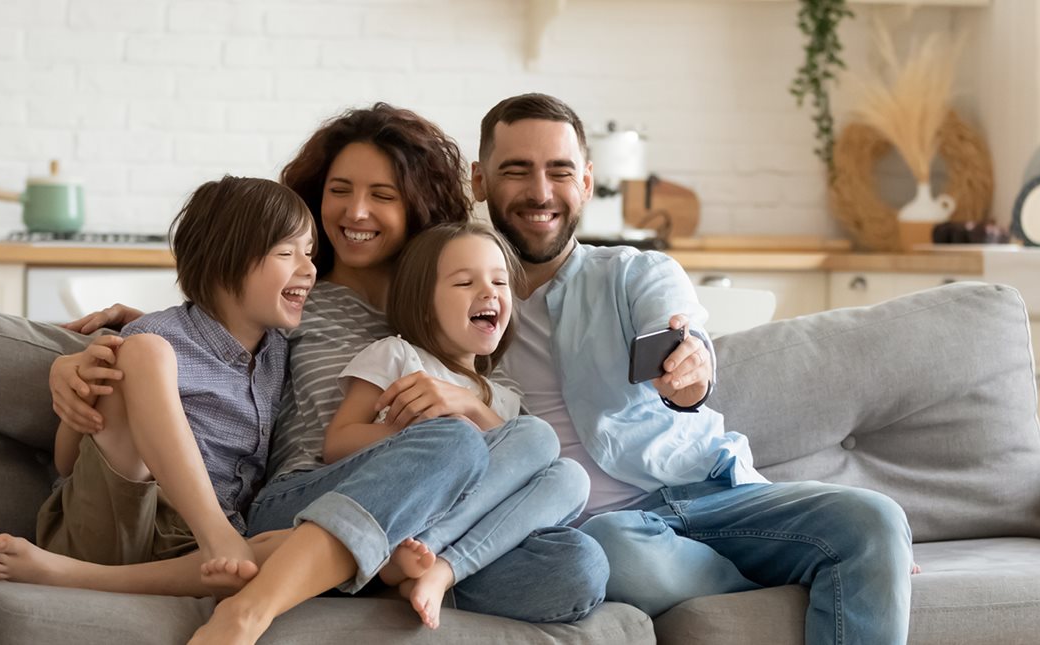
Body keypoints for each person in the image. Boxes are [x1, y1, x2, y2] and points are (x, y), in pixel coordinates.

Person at [46, 104, 607, 644]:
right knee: (450, 445)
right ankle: (288, 590)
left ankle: (388, 571)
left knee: (576, 566)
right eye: (339, 191)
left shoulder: (452, 310)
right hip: (304, 498)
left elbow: (521, 452)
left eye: (382, 196)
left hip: (427, 520)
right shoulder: (300, 299)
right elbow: (214, 322)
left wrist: (465, 403)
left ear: (417, 207)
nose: (355, 212)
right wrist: (98, 350)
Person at [470, 93, 915, 645]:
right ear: (479, 181)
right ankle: (776, 576)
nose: (541, 192)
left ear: (585, 181)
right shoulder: (461, 300)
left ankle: (821, 560)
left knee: (874, 520)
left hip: (711, 494)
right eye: (516, 171)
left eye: (559, 172)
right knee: (610, 548)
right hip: (613, 533)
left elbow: (684, 339)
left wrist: (690, 373)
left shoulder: (635, 273)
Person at [0, 176, 319, 595]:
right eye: (288, 253)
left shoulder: (280, 354)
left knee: (306, 545)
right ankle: (212, 532)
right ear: (222, 262)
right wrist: (86, 393)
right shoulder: (152, 339)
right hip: (115, 519)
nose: (309, 269)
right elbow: (68, 462)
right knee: (146, 351)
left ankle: (72, 576)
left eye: (309, 253)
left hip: (197, 551)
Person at [326, 222, 589, 628]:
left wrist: (472, 406)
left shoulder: (506, 397)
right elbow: (337, 444)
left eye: (500, 282)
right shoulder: (397, 356)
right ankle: (408, 558)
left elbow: (525, 471)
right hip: (403, 509)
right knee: (536, 437)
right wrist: (419, 437)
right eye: (465, 282)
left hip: (464, 539)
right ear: (424, 301)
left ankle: (439, 570)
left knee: (571, 475)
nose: (489, 292)